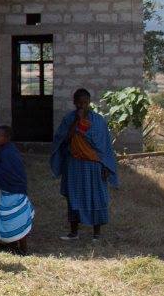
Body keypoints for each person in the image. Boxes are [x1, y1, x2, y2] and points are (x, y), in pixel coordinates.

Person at [51, 87, 118, 241]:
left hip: (94, 165)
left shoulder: (98, 121)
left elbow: (105, 146)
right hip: (74, 164)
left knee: (96, 196)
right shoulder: (69, 119)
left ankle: (97, 233)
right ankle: (74, 233)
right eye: (79, 103)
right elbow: (63, 140)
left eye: (85, 103)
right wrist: (77, 122)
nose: (82, 106)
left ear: (89, 102)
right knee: (73, 196)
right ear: (74, 103)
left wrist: (106, 165)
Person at [0, 125, 33, 254]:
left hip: (15, 193)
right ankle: (11, 245)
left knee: (18, 221)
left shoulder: (8, 152)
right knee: (9, 220)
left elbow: (6, 173)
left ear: (7, 138)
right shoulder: (6, 151)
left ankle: (23, 249)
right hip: (9, 193)